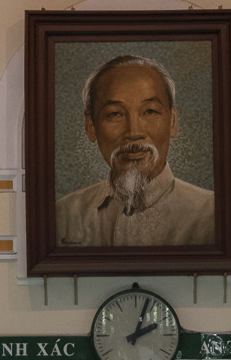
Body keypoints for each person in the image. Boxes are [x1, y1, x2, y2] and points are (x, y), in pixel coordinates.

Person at [56, 55, 214, 246]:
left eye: (150, 111)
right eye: (115, 114)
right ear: (91, 126)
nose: (133, 133)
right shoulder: (66, 213)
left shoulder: (211, 213)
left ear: (172, 122)